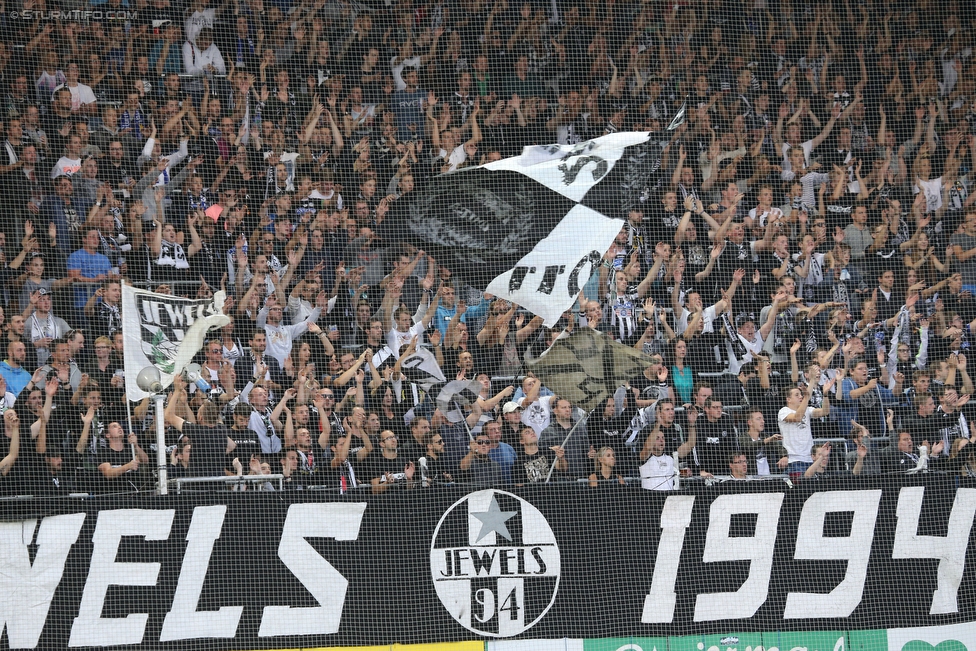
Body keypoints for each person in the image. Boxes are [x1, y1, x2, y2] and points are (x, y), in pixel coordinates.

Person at [163, 375, 234, 479]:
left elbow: (169, 416)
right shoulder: (222, 430)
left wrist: (177, 391)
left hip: (196, 488)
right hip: (218, 488)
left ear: (200, 418)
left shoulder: (196, 431)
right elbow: (216, 416)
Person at [778, 379, 833, 476]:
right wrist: (806, 398)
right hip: (793, 460)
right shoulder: (784, 411)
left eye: (801, 394)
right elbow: (797, 417)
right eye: (797, 395)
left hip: (809, 459)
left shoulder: (807, 409)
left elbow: (825, 412)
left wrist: (825, 395)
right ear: (788, 399)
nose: (800, 397)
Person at [366, 429, 415, 494]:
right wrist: (387, 483)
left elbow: (409, 489)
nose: (394, 440)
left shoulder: (404, 460)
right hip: (385, 501)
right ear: (382, 444)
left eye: (394, 437)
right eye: (389, 438)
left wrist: (409, 479)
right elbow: (375, 490)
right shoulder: (376, 462)